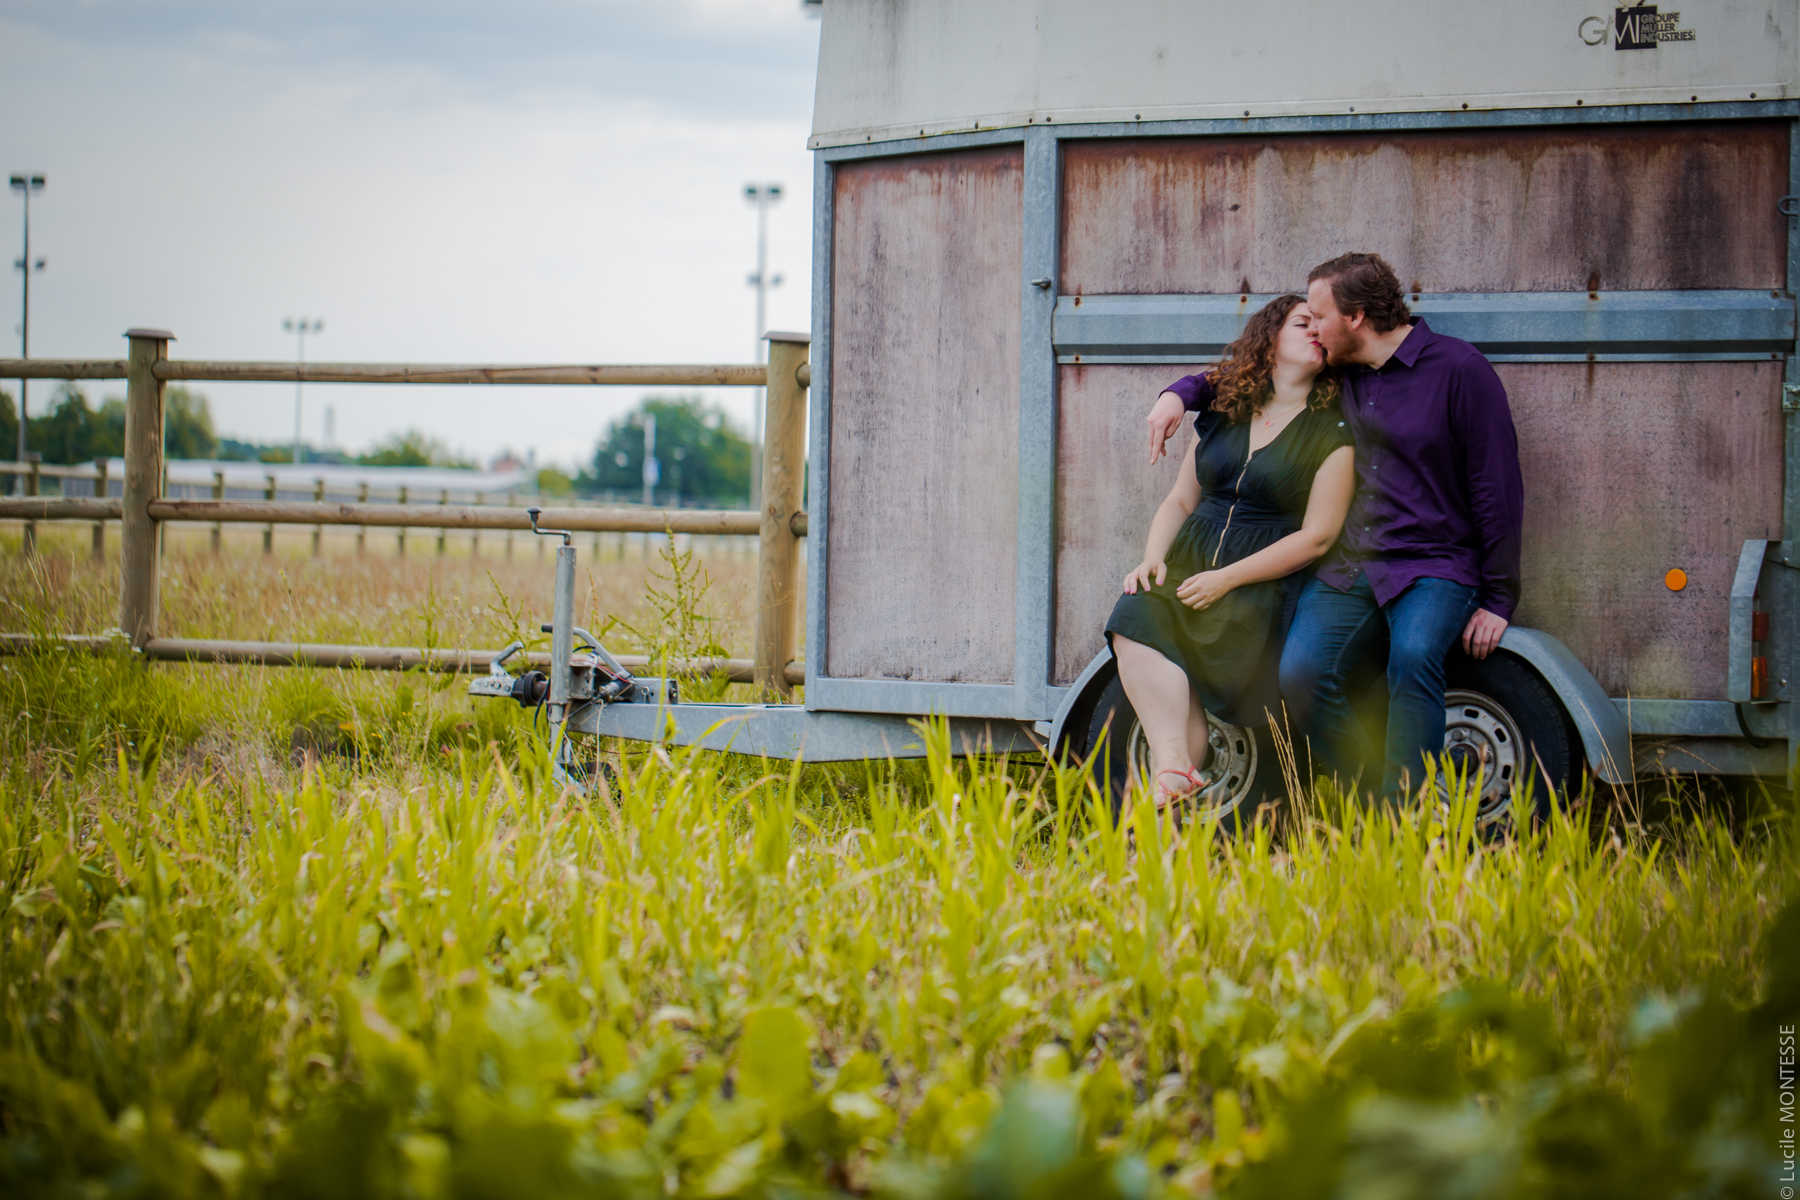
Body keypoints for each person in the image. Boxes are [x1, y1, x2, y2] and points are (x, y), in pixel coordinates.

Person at [1145, 253, 1523, 801]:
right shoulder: (1338, 373)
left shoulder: (1460, 370)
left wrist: (1499, 597)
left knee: (1413, 658)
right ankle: (1371, 797)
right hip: (1349, 564)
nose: (1313, 331)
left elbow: (1496, 487)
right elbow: (1243, 372)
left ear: (1356, 317)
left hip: (1433, 563)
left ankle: (1405, 819)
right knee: (1301, 674)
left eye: (1318, 317)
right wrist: (1177, 395)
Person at [1107, 295, 1355, 806]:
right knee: (1133, 616)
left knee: (1206, 681)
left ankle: (1173, 783)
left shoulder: (1333, 430)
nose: (1315, 330)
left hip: (1258, 581)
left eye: (1321, 325)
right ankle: (1174, 765)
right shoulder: (1226, 411)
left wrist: (1228, 579)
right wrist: (1153, 556)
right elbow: (1181, 499)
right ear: (1269, 338)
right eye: (1302, 322)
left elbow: (1318, 536)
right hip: (1189, 562)